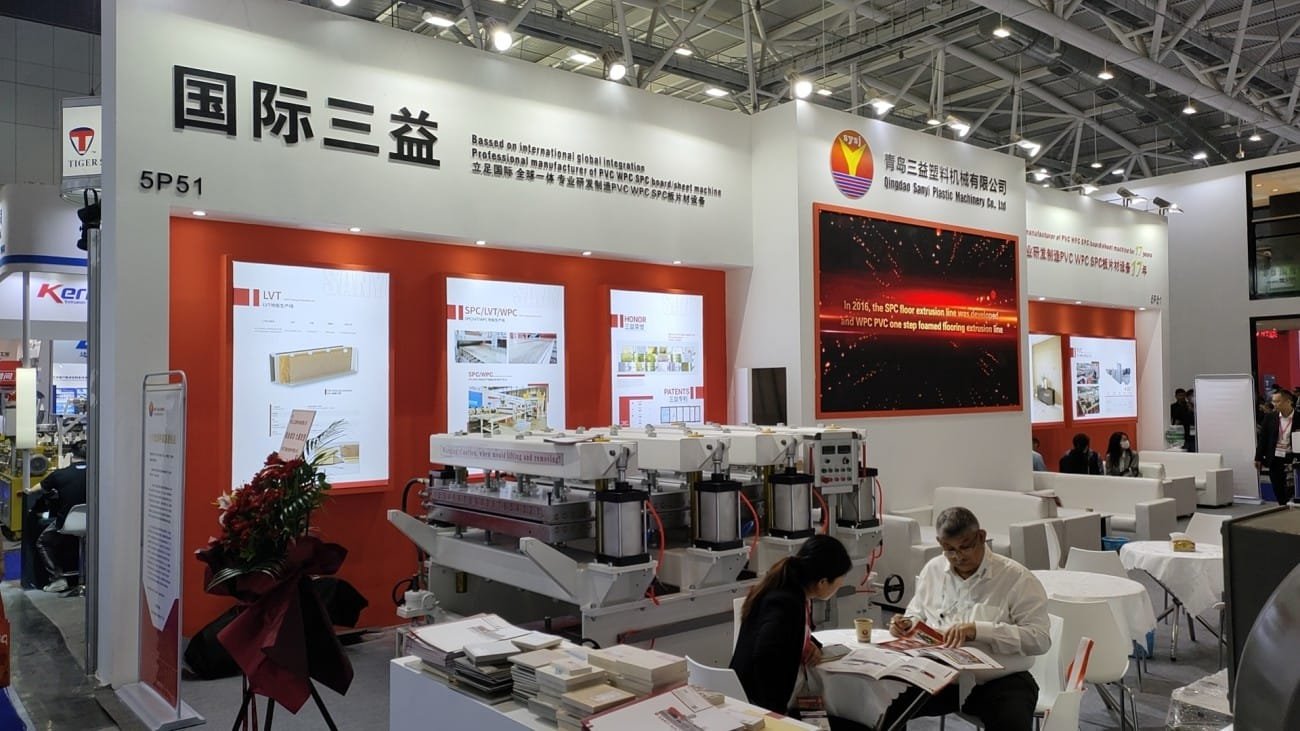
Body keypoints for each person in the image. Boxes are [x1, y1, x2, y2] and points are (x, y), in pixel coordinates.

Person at [879, 507, 1050, 730]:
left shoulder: (1016, 578)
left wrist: (979, 630)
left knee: (1012, 720)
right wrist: (906, 624)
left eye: (965, 547)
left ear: (981, 536)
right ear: (940, 543)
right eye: (949, 549)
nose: (958, 557)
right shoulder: (933, 570)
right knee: (881, 706)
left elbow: (1040, 639)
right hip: (939, 673)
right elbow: (916, 613)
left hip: (1000, 679)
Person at [730, 534, 852, 714]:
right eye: (838, 584)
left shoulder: (792, 590)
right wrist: (777, 714)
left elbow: (793, 633)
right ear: (822, 582)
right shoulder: (786, 603)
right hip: (754, 705)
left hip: (753, 696)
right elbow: (764, 654)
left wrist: (809, 644)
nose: (838, 588)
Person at [30, 442, 88, 593]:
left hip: (67, 524)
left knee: (43, 542)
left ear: (71, 456)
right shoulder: (98, 473)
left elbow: (36, 489)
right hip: (93, 524)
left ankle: (58, 580)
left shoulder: (60, 474)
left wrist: (29, 490)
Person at [1256, 389, 1300, 505]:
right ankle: (1282, 506)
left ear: (1288, 402)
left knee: (1293, 488)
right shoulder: (1270, 417)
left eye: (1277, 401)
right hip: (1275, 458)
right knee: (1278, 487)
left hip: (1293, 458)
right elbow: (1263, 439)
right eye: (1273, 401)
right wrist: (1258, 457)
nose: (1274, 404)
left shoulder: (1298, 417)